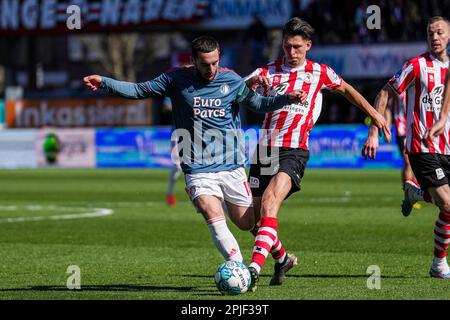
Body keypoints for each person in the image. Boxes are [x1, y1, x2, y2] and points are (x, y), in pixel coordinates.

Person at [83, 36, 307, 270]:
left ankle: (280, 256)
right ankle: (239, 269)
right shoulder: (174, 79)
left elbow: (258, 104)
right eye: (204, 64)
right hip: (197, 168)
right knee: (212, 214)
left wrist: (285, 99)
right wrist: (104, 82)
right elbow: (138, 90)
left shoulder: (230, 79)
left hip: (231, 165)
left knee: (246, 222)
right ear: (192, 60)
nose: (211, 69)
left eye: (214, 63)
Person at [244, 17, 390, 291]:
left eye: (297, 47)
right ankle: (283, 258)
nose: (291, 52)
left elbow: (348, 91)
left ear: (308, 45)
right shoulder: (267, 71)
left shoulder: (319, 72)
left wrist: (375, 115)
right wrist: (252, 84)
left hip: (294, 150)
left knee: (270, 203)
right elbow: (239, 94)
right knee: (250, 221)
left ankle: (252, 270)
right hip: (264, 151)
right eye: (287, 47)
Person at [363, 16, 450, 278]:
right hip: (421, 145)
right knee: (447, 204)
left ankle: (416, 194)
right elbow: (385, 92)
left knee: (445, 206)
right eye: (430, 33)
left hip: (448, 146)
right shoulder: (416, 66)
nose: (434, 37)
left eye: (440, 33)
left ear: (449, 37)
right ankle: (438, 264)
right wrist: (374, 130)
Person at [162, 96, 182, 206]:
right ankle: (170, 193)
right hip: (178, 134)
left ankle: (197, 194)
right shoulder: (175, 88)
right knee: (177, 167)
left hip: (197, 134)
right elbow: (166, 107)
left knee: (198, 166)